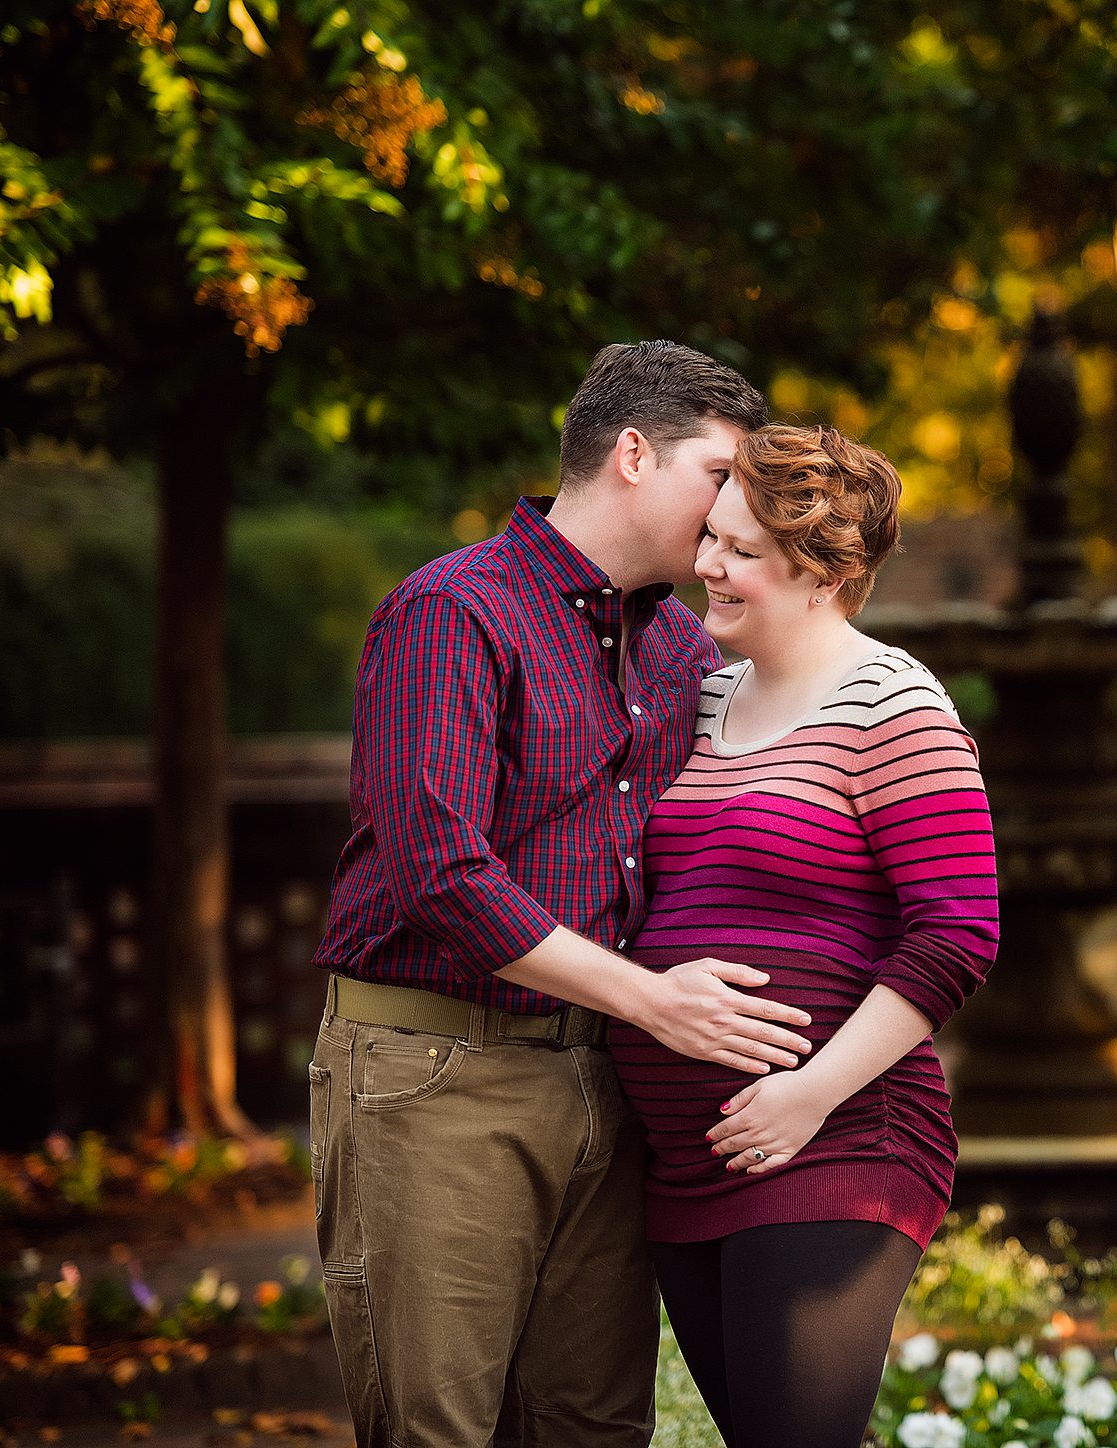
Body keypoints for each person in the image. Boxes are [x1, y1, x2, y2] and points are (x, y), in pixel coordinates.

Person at [308, 342, 817, 1448]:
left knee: (593, 1425)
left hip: (609, 1077)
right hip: (434, 1077)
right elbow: (441, 869)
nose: (738, 506)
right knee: (438, 1426)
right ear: (632, 453)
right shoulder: (450, 610)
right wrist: (652, 999)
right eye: (719, 472)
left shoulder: (679, 642)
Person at [611, 423, 1001, 1448]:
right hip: (694, 1163)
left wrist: (805, 1093)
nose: (706, 565)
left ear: (824, 570)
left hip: (836, 1140)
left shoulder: (893, 705)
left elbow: (957, 932)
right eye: (710, 539)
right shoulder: (700, 696)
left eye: (740, 550)